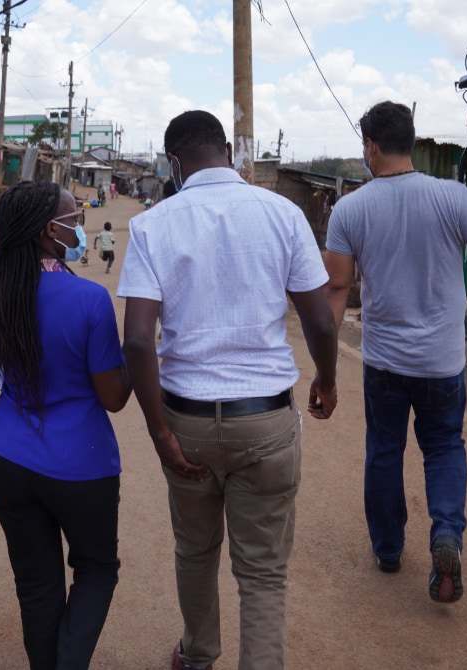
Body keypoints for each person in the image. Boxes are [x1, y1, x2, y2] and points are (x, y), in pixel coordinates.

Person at [118, 110, 338, 670]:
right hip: (264, 420)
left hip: (186, 422)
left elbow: (140, 342)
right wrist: (327, 380)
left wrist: (159, 432)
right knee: (263, 573)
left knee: (194, 552)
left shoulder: (151, 225)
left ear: (174, 163)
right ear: (232, 154)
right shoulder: (284, 214)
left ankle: (197, 655)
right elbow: (319, 323)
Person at [322, 101, 467, 604]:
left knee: (384, 452)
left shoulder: (350, 209)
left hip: (384, 362)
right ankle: (446, 534)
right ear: (410, 140)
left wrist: (325, 373)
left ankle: (388, 551)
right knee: (445, 447)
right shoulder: (451, 197)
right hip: (442, 363)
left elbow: (335, 292)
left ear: (369, 147)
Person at [0, 180, 132, 670]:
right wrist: (138, 363)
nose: (79, 226)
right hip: (81, 466)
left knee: (36, 582)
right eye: (72, 219)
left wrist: (18, 357)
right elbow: (113, 398)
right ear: (47, 231)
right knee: (96, 569)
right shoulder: (90, 300)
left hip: (7, 459)